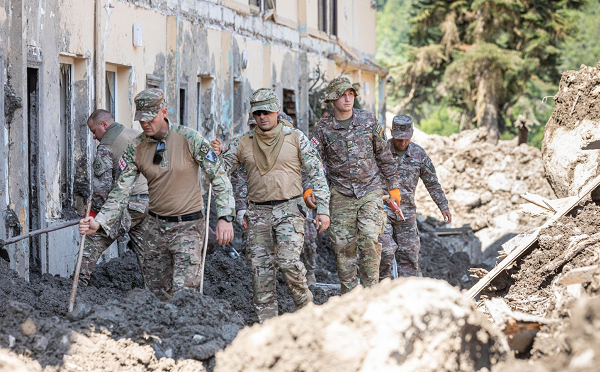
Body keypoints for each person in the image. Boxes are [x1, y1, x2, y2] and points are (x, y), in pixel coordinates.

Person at [79, 88, 235, 298]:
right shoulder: (137, 147)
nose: (145, 125)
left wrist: (225, 216)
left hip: (187, 227)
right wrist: (100, 220)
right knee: (157, 294)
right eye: (141, 120)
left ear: (164, 111)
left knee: (183, 294)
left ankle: (188, 329)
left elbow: (219, 176)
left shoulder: (190, 138)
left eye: (150, 119)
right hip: (154, 229)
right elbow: (121, 190)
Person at [219, 88, 330, 322]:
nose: (262, 117)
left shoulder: (296, 138)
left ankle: (306, 310)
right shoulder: (243, 143)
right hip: (258, 211)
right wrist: (212, 156)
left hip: (290, 209)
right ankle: (267, 324)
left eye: (267, 112)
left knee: (289, 262)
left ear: (277, 111)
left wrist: (323, 209)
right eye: (258, 113)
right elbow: (219, 173)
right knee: (260, 272)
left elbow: (316, 173)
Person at [311, 77, 401, 294]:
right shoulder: (323, 128)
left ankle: (370, 293)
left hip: (369, 191)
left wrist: (394, 187)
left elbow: (384, 156)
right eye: (343, 94)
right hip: (340, 195)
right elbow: (312, 164)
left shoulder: (368, 121)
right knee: (343, 248)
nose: (348, 98)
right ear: (333, 99)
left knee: (370, 238)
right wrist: (310, 190)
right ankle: (350, 298)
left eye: (350, 94)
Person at [211, 113, 320, 287]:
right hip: (258, 206)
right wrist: (240, 209)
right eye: (252, 127)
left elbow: (306, 173)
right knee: (255, 248)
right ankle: (262, 281)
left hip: (291, 202)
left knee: (306, 237)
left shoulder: (290, 144)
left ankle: (308, 274)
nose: (258, 131)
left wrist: (308, 192)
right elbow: (237, 180)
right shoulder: (245, 147)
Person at [79, 109, 152, 288]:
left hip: (129, 202)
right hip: (150, 203)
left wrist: (95, 215)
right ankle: (157, 293)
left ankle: (78, 286)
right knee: (147, 252)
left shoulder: (106, 145)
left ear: (104, 125)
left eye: (94, 131)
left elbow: (102, 189)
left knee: (95, 239)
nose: (94, 137)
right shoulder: (137, 134)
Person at [379, 115, 451, 278]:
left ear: (411, 134)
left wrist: (443, 206)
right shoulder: (381, 152)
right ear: (392, 133)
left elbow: (432, 182)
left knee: (410, 255)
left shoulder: (419, 154)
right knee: (385, 252)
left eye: (406, 139)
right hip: (383, 212)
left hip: (407, 213)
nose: (402, 143)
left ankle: (407, 292)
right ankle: (381, 290)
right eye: (398, 139)